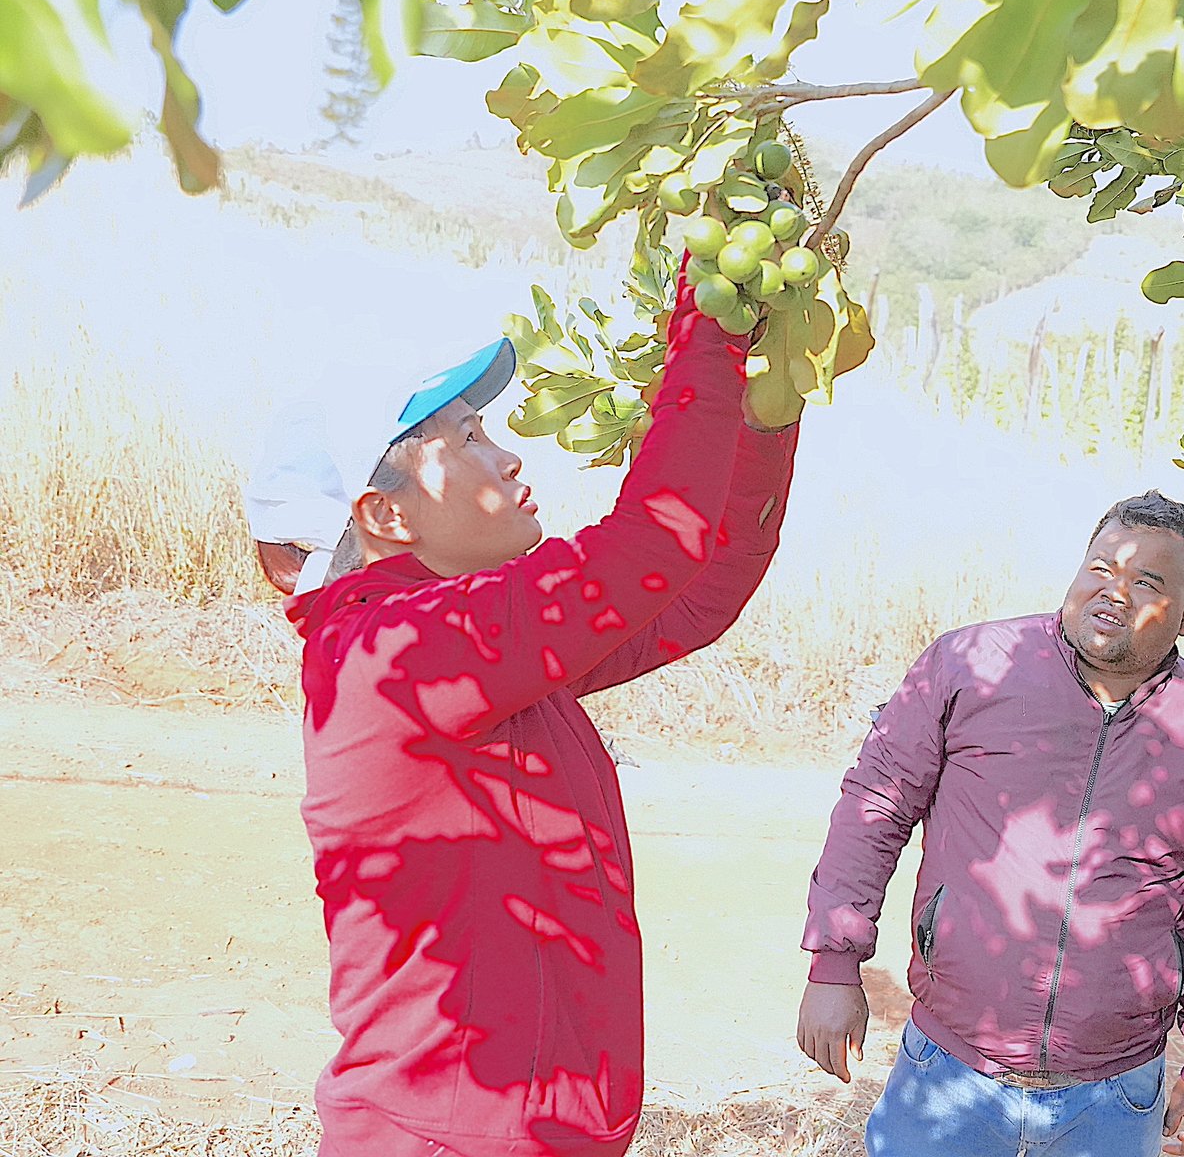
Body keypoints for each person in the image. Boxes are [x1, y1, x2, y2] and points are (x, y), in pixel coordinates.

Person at [243, 272, 799, 1156]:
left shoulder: (471, 654)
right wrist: (708, 328)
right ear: (384, 513)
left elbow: (697, 591)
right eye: (466, 438)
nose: (508, 458)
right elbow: (651, 543)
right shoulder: (395, 651)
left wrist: (766, 416)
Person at [796, 492, 1184, 1157]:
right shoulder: (972, 667)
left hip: (1116, 1093)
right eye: (1101, 568)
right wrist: (833, 965)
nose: (1115, 593)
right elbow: (874, 810)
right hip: (949, 1072)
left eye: (1147, 583)